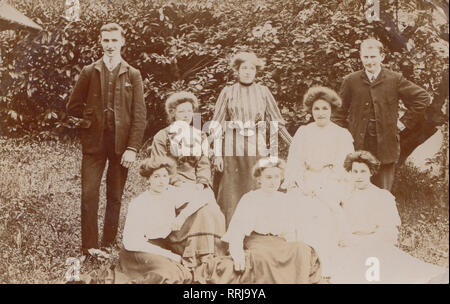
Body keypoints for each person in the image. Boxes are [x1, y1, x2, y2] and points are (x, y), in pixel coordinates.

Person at [66, 23, 147, 255]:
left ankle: (109, 244)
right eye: (106, 40)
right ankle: (90, 247)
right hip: (94, 145)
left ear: (122, 41)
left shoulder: (133, 74)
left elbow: (139, 115)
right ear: (100, 42)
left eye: (114, 40)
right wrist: (90, 121)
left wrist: (132, 147)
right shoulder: (90, 71)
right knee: (89, 194)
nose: (110, 45)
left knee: (115, 195)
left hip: (121, 146)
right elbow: (73, 107)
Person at [193, 157, 323, 284]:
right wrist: (237, 254)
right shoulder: (250, 198)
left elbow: (290, 232)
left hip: (279, 243)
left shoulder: (286, 199)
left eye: (277, 177)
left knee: (301, 249)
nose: (273, 182)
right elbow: (237, 232)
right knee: (263, 258)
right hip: (257, 242)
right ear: (259, 179)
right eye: (268, 177)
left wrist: (291, 250)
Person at [331, 151, 448, 284]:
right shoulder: (344, 196)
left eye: (363, 171)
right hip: (350, 245)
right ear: (350, 173)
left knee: (383, 270)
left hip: (374, 244)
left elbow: (388, 232)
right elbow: (339, 226)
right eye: (355, 171)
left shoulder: (382, 196)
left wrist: (367, 241)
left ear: (371, 172)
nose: (358, 176)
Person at [210, 51, 292, 227]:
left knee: (255, 186)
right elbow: (217, 124)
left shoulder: (263, 92)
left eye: (252, 68)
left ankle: (256, 231)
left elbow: (276, 122)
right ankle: (229, 234)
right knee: (231, 192)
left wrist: (294, 145)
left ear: (256, 71)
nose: (247, 71)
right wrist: (216, 154)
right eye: (244, 68)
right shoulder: (227, 92)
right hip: (232, 145)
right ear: (237, 71)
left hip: (257, 143)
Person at [336, 38, 430, 191]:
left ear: (382, 57)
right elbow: (338, 112)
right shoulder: (351, 81)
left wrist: (404, 122)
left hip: (386, 144)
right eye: (365, 57)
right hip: (358, 144)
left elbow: (423, 98)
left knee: (383, 191)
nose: (369, 61)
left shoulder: (394, 79)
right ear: (360, 56)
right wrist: (344, 134)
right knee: (355, 189)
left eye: (373, 57)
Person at [284, 86, 354, 277]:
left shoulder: (341, 134)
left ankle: (325, 266)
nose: (320, 113)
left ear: (331, 110)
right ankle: (300, 266)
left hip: (330, 181)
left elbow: (343, 166)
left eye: (324, 108)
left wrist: (323, 186)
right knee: (297, 209)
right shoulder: (303, 132)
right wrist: (303, 184)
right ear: (310, 111)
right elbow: (294, 162)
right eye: (316, 109)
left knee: (324, 212)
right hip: (305, 181)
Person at [149, 91, 226, 264]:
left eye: (189, 111)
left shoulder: (200, 135)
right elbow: (161, 165)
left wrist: (201, 183)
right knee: (198, 211)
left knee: (212, 210)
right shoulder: (162, 136)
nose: (186, 115)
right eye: (181, 111)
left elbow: (204, 164)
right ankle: (193, 253)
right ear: (173, 113)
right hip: (171, 184)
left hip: (196, 184)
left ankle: (210, 254)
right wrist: (177, 182)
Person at [117, 156, 221, 283]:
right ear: (148, 179)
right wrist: (169, 255)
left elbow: (204, 196)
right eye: (156, 177)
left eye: (165, 176)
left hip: (162, 246)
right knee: (169, 275)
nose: (161, 181)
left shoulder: (170, 193)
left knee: (185, 274)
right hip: (138, 250)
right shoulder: (139, 203)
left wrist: (182, 216)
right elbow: (132, 243)